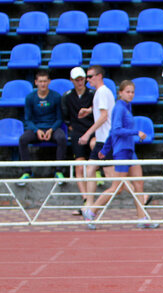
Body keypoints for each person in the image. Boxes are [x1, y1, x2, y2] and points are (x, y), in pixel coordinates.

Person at [83, 80, 157, 230]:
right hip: (122, 151)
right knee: (117, 187)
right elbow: (115, 130)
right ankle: (91, 211)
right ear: (120, 92)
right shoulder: (119, 108)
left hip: (130, 150)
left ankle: (142, 217)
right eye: (127, 91)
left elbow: (111, 132)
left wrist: (104, 149)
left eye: (132, 92)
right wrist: (136, 132)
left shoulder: (127, 107)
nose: (130, 94)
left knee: (138, 184)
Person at [17, 70, 67, 186]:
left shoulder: (56, 96)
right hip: (36, 128)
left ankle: (59, 171)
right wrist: (36, 130)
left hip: (52, 128)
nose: (43, 84)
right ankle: (27, 172)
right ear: (36, 82)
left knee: (61, 138)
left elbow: (60, 118)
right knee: (23, 139)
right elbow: (28, 119)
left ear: (49, 82)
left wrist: (51, 129)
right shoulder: (30, 98)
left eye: (45, 81)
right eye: (40, 81)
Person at [79, 65, 115, 208]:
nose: (88, 80)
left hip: (106, 139)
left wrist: (87, 134)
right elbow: (103, 110)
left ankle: (142, 197)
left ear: (99, 76)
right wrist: (89, 111)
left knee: (115, 180)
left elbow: (104, 116)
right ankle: (89, 203)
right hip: (102, 139)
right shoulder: (102, 93)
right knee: (90, 169)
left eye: (90, 76)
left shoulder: (101, 92)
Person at [61, 66, 96, 213]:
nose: (80, 82)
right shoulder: (67, 96)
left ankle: (97, 173)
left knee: (96, 153)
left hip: (93, 130)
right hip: (77, 132)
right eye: (77, 80)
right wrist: (72, 127)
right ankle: (85, 198)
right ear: (72, 81)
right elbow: (65, 116)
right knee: (79, 165)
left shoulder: (92, 94)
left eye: (82, 79)